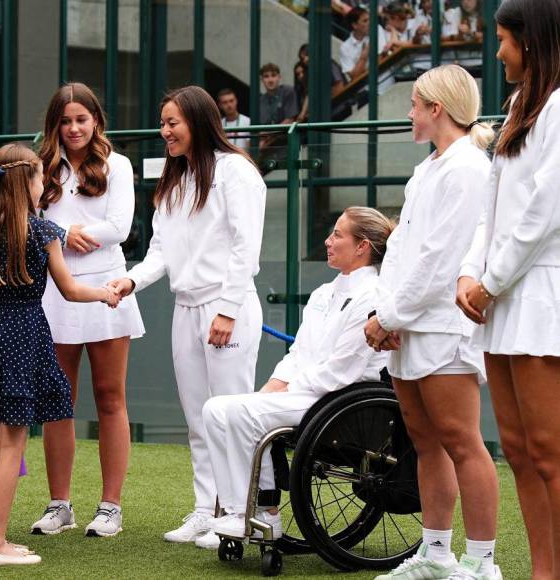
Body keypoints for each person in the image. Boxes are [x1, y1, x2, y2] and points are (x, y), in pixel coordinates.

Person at [108, 85, 266, 545]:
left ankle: (238, 512)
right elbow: (161, 251)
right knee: (197, 417)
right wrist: (131, 281)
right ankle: (206, 509)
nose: (165, 132)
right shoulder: (175, 181)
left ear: (198, 121)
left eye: (172, 123)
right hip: (186, 307)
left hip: (226, 306)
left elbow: (245, 248)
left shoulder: (236, 171)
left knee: (231, 412)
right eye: (162, 123)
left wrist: (228, 310)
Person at [0, 143, 119, 567]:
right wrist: (106, 292)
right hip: (25, 332)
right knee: (12, 442)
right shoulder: (42, 233)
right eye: (43, 176)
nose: (46, 183)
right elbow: (71, 290)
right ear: (28, 181)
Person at [364, 64, 501, 580]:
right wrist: (385, 314)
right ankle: (437, 555)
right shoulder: (429, 169)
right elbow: (401, 248)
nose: (409, 112)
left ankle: (483, 564)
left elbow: (442, 260)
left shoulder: (467, 167)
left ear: (436, 109)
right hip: (409, 328)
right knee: (425, 441)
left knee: (461, 440)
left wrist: (388, 316)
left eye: (415, 104)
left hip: (443, 326)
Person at [198, 207, 393, 550]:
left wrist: (286, 392)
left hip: (342, 401)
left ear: (362, 246)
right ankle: (235, 511)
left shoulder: (373, 295)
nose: (327, 241)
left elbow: (343, 369)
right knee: (215, 409)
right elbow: (298, 354)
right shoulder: (322, 293)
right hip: (308, 393)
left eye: (337, 235)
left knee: (244, 413)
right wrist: (273, 388)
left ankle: (265, 515)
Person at [457, 1, 560, 577]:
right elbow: (491, 213)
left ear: (532, 40)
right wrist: (471, 274)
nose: (498, 52)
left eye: (503, 39)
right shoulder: (522, 105)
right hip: (501, 299)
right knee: (519, 452)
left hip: (541, 296)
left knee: (549, 453)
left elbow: (545, 211)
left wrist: (489, 282)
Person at [29, 82, 144, 538]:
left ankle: (110, 507)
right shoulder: (41, 166)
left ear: (96, 120)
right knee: (59, 400)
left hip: (107, 285)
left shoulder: (119, 165)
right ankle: (60, 505)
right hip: (55, 289)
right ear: (54, 124)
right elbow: (29, 218)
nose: (74, 128)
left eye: (82, 118)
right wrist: (64, 230)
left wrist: (72, 231)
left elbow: (121, 226)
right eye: (65, 120)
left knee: (110, 396)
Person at [216, 88, 251, 152]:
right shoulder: (219, 124)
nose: (229, 105)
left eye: (231, 101)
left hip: (243, 159)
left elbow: (250, 147)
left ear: (236, 101)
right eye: (225, 102)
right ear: (220, 105)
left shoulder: (247, 121)